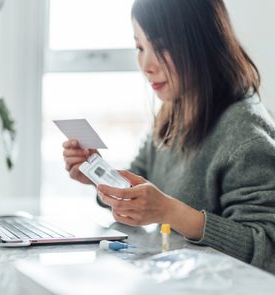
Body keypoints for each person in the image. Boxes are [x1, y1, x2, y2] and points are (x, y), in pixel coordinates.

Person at [62, 0, 275, 274]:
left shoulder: (245, 133)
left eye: (161, 48)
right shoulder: (174, 109)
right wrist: (99, 175)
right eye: (140, 47)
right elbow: (137, 191)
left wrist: (171, 211)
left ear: (203, 44)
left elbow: (268, 249)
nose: (146, 65)